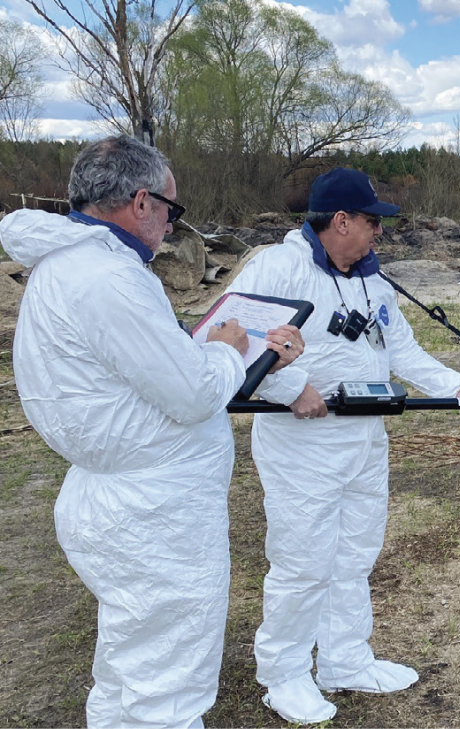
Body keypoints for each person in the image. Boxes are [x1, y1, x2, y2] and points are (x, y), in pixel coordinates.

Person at [0, 135, 305, 728]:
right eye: (171, 207)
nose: (171, 223)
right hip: (153, 515)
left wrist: (216, 355)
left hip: (124, 500)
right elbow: (191, 396)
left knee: (128, 666)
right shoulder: (108, 278)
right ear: (140, 202)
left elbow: (140, 376)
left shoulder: (71, 267)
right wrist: (228, 351)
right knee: (167, 684)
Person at [225, 167, 460, 724]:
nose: (379, 232)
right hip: (303, 446)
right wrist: (291, 387)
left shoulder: (374, 280)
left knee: (354, 555)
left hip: (364, 439)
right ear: (340, 220)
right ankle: (284, 675)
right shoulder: (278, 267)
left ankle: (345, 661)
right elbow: (229, 339)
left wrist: (455, 386)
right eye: (372, 222)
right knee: (303, 561)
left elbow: (402, 349)